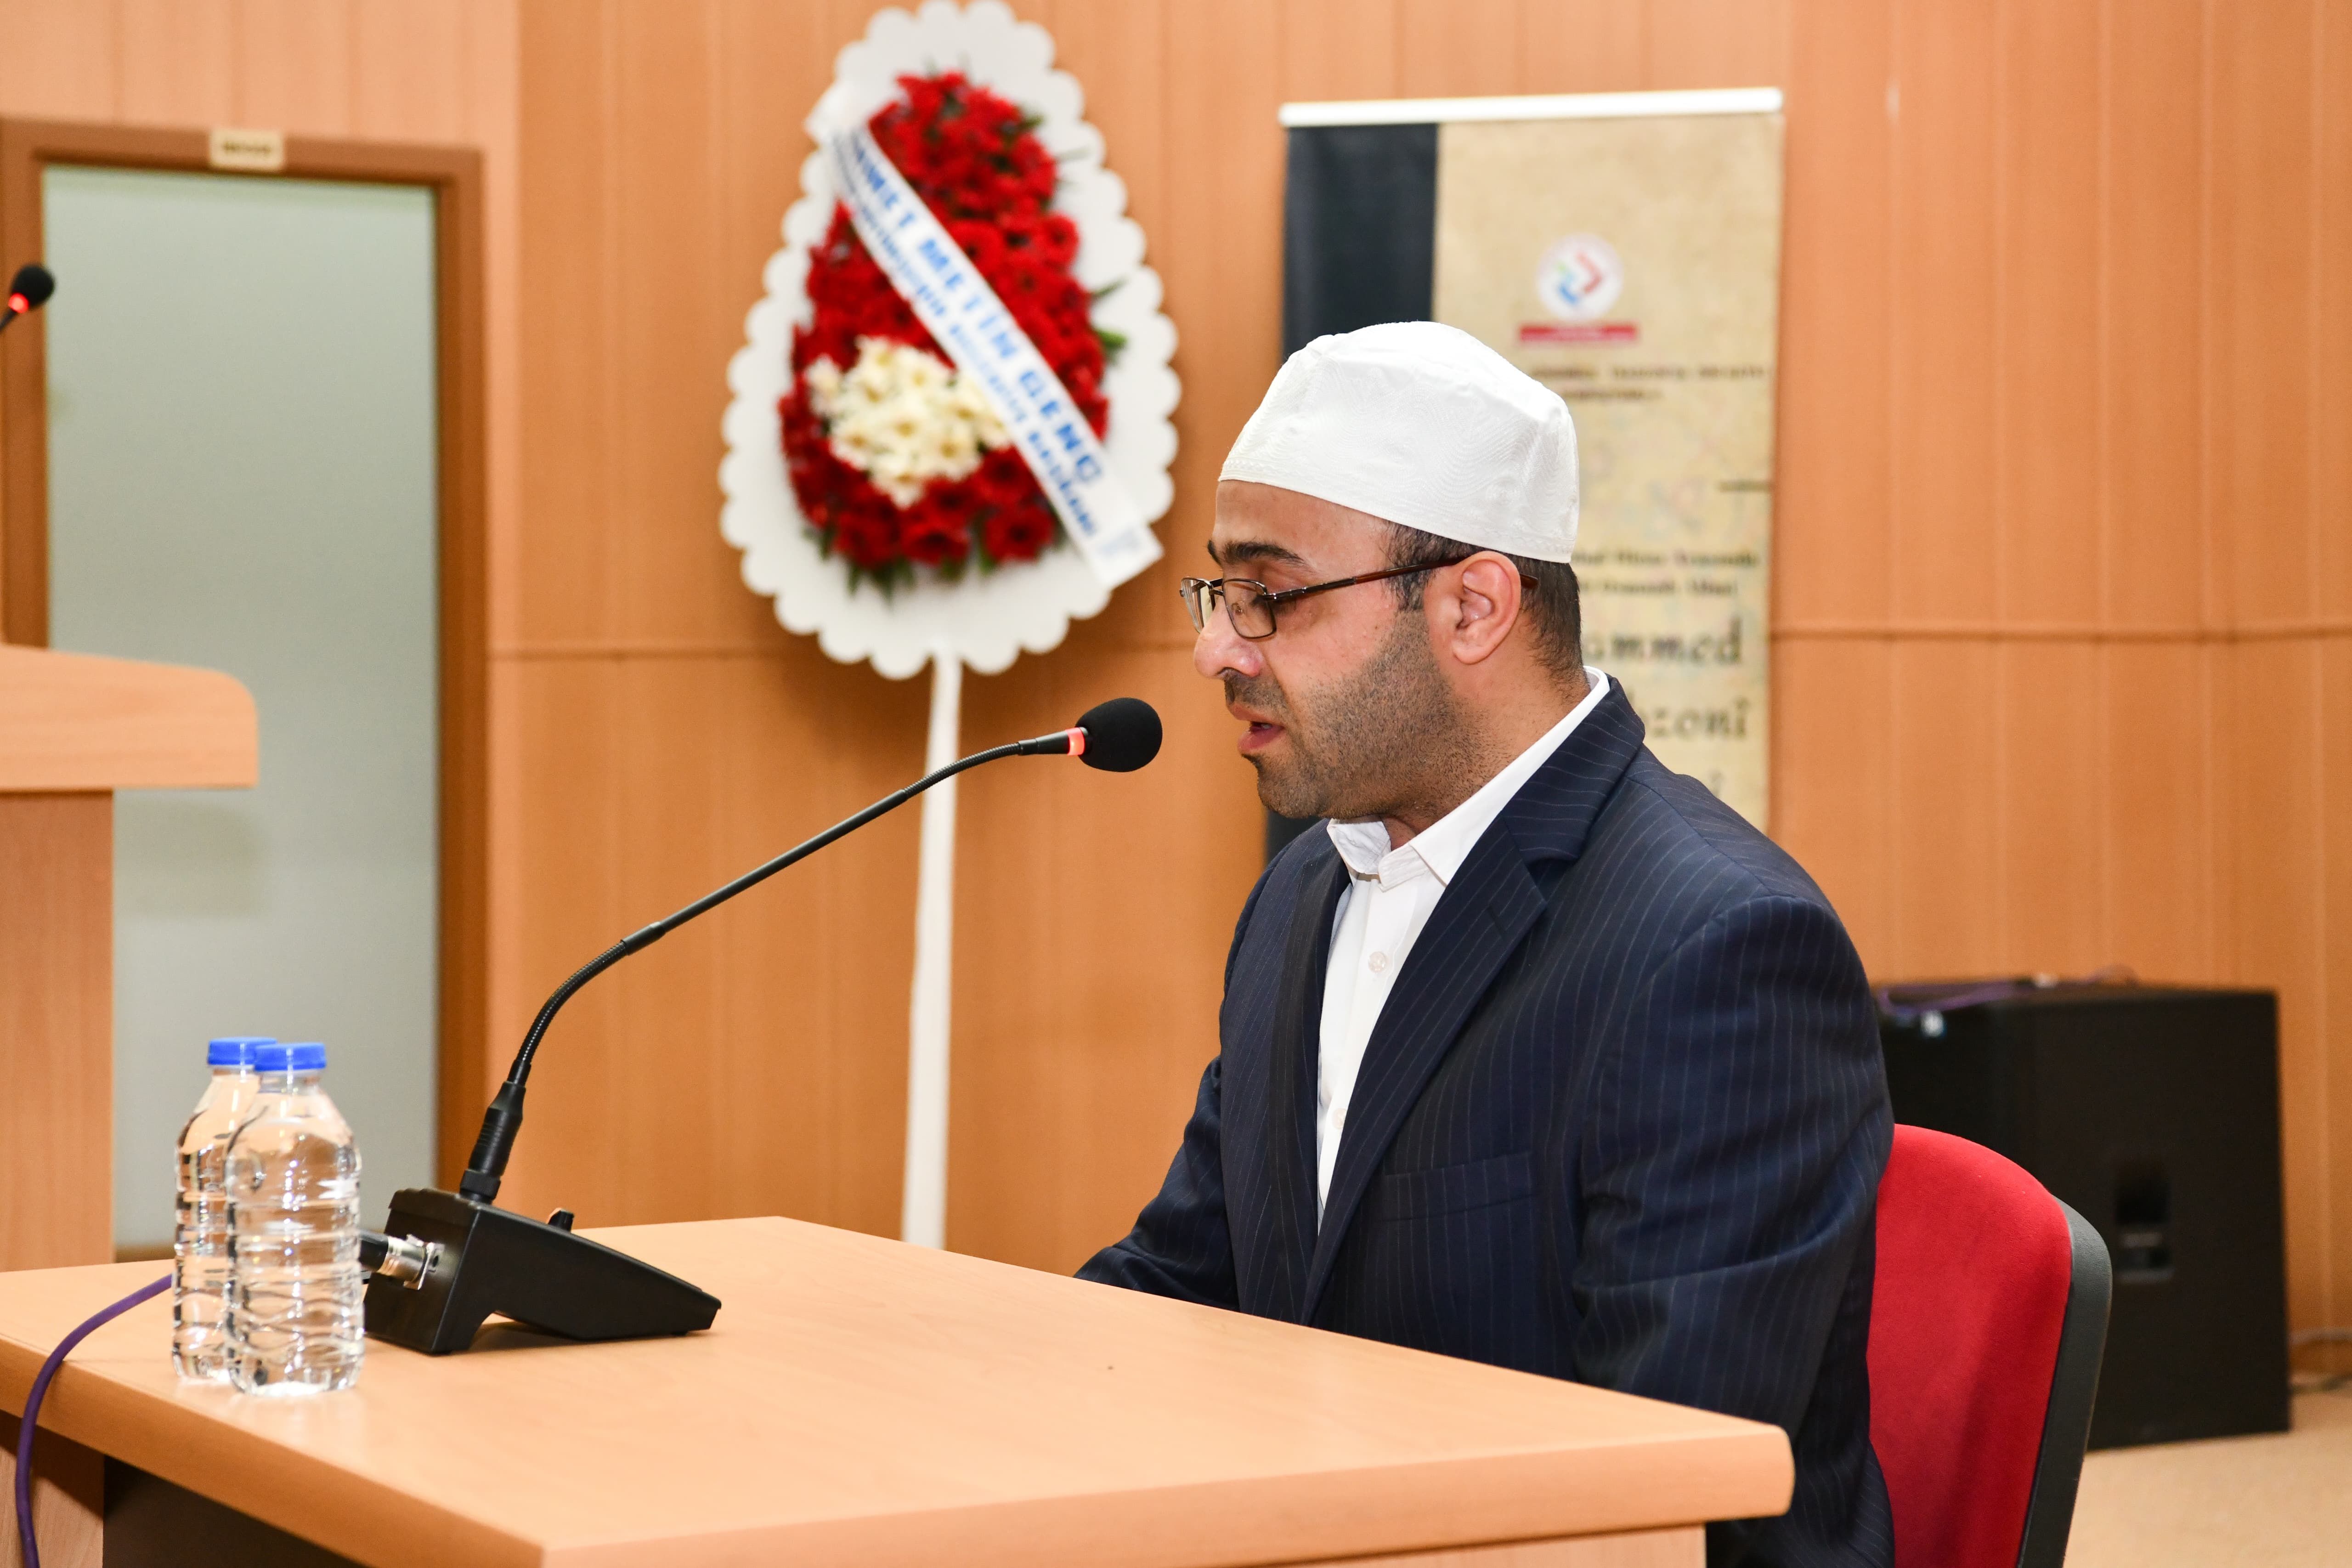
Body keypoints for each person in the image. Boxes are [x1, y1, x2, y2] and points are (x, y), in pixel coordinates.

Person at [1078, 323, 1893, 1568]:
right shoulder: (1304, 892)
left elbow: (1659, 1488)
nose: (1215, 650)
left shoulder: (1719, 950)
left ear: (1472, 607)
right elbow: (1193, 1281)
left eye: (1270, 598)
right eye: (1219, 596)